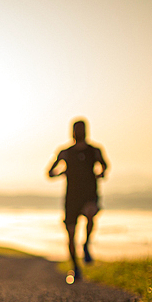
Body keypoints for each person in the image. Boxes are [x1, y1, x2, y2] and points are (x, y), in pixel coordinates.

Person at [48, 119, 108, 282]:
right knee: (71, 234)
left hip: (89, 194)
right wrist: (63, 172)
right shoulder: (65, 152)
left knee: (90, 214)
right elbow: (50, 172)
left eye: (81, 129)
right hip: (72, 197)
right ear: (72, 131)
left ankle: (87, 244)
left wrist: (101, 173)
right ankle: (75, 267)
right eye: (77, 129)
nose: (79, 132)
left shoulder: (94, 150)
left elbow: (105, 166)